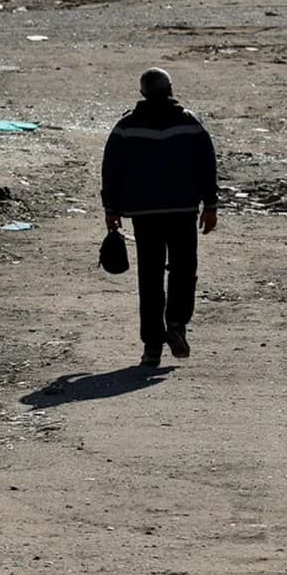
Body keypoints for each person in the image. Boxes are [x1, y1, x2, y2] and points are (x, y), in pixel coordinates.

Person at [101, 68, 219, 367]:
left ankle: (152, 346)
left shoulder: (126, 127)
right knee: (183, 269)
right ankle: (177, 324)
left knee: (150, 277)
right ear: (170, 89)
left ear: (142, 93)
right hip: (182, 210)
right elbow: (207, 165)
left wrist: (111, 209)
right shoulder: (189, 124)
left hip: (145, 214)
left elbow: (111, 170)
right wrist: (211, 205)